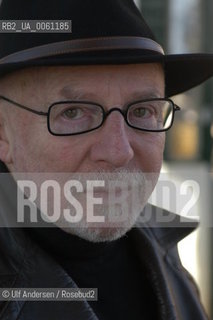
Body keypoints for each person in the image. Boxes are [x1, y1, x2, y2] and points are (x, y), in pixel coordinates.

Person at [0, 0, 212, 319]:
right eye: (73, 113)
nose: (118, 152)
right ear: (3, 133)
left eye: (142, 111)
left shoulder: (166, 258)